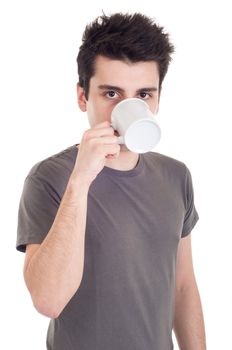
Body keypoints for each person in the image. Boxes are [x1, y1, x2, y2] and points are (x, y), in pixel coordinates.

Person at [16, 12, 206, 350]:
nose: (128, 108)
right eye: (111, 94)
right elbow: (48, 301)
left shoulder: (177, 176)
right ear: (82, 97)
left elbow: (183, 287)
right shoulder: (49, 178)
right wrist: (81, 180)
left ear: (158, 98)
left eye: (143, 95)